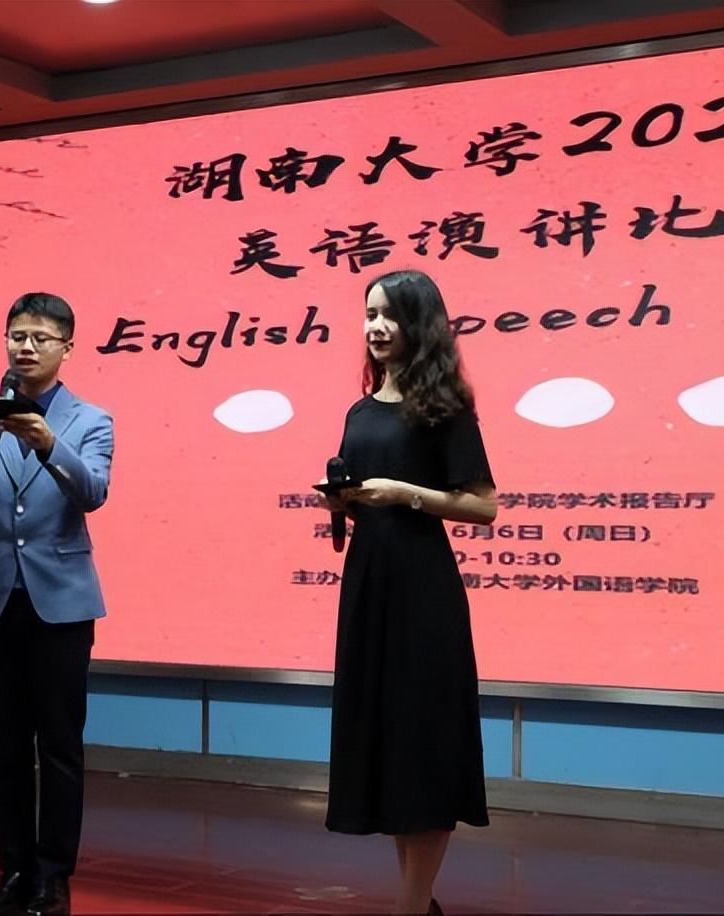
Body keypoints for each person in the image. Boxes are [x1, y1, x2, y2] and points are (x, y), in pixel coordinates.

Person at [322, 270, 497, 915]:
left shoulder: (444, 406)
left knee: (423, 743)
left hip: (423, 590)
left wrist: (404, 494)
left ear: (419, 323)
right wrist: (342, 502)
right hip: (369, 584)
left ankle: (411, 906)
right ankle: (418, 903)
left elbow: (484, 506)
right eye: (369, 314)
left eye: (389, 314)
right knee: (392, 747)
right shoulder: (359, 412)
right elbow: (360, 501)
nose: (376, 326)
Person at [0, 291, 114, 916]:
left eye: (41, 338)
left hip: (61, 606)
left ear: (67, 347)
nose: (26, 347)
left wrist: (47, 443)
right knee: (3, 746)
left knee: (59, 747)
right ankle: (12, 871)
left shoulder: (91, 421)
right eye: (17, 336)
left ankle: (53, 878)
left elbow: (93, 492)